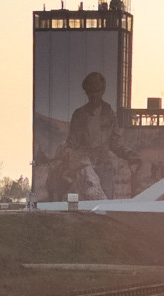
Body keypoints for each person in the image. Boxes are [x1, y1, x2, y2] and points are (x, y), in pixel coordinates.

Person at [56, 71, 139, 200]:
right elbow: (72, 143)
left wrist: (129, 155)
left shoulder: (109, 113)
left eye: (98, 91)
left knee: (106, 206)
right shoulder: (79, 115)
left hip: (105, 166)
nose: (95, 96)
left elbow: (115, 143)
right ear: (87, 93)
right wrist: (69, 154)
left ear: (103, 91)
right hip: (85, 168)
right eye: (91, 92)